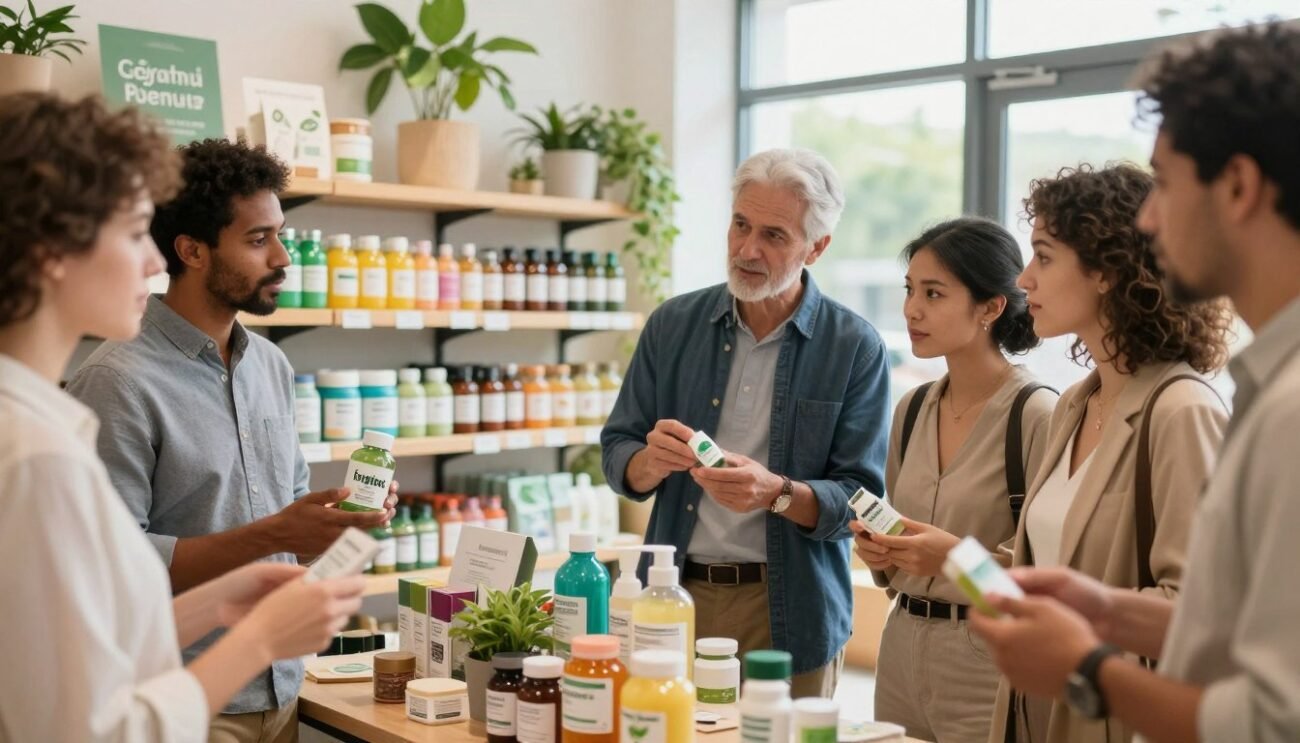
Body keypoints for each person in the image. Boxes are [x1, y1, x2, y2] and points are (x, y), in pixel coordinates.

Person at [971, 22, 1300, 743]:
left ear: (1238, 186)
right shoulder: (1263, 389)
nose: (1150, 219)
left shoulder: (1272, 410)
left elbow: (1273, 720)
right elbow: (1232, 625)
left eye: (1167, 183)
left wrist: (1088, 666)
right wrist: (1107, 610)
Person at [0, 92, 364, 742]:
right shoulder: (43, 449)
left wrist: (229, 599)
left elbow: (105, 625)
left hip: (275, 689)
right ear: (54, 250)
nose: (153, 261)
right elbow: (92, 727)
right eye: (134, 231)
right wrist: (254, 637)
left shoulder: (45, 429)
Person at [601, 148, 891, 698]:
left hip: (791, 609)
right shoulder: (672, 324)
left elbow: (860, 501)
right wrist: (649, 462)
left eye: (774, 235)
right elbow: (618, 451)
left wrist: (775, 493)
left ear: (817, 247)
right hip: (673, 598)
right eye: (740, 224)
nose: (747, 249)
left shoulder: (854, 346)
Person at [984, 162, 1232, 743]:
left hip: (1117, 715)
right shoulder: (1075, 403)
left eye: (1044, 257)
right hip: (1036, 710)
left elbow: (1203, 613)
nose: (1023, 279)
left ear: (1106, 271)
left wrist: (1082, 629)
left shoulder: (1182, 410)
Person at [852, 218, 1056, 743]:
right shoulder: (912, 408)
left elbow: (1043, 579)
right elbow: (896, 554)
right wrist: (880, 553)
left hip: (985, 655)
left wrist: (952, 560)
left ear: (991, 308)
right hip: (900, 644)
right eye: (909, 290)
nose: (911, 309)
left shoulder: (1036, 415)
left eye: (933, 293)